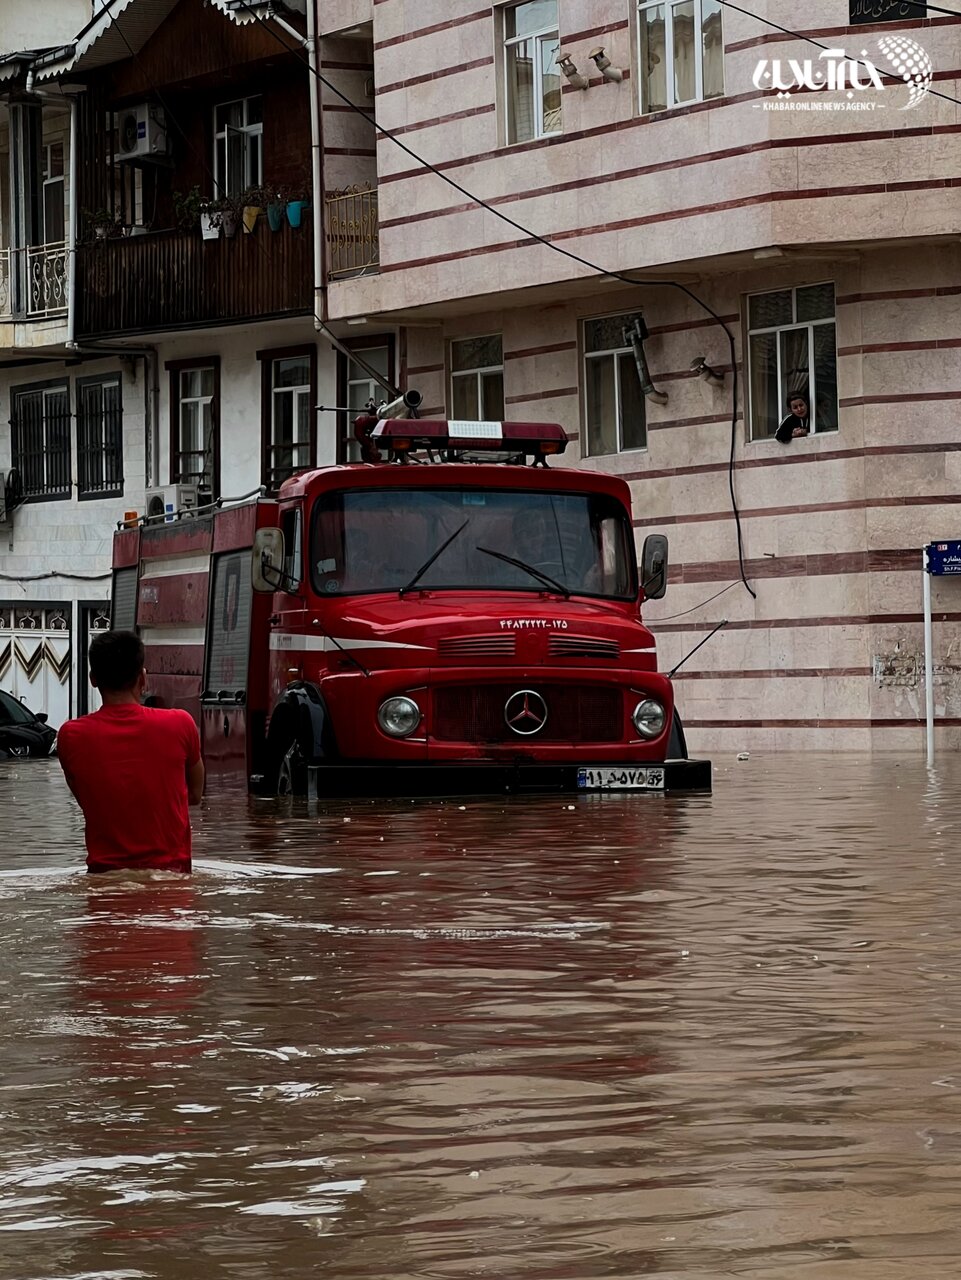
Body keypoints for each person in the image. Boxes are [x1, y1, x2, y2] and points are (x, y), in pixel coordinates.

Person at [58, 630, 204, 875]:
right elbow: (195, 794)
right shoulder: (180, 724)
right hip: (170, 882)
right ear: (143, 678)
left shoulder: (71, 736)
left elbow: (88, 800)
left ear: (93, 679)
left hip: (104, 882)